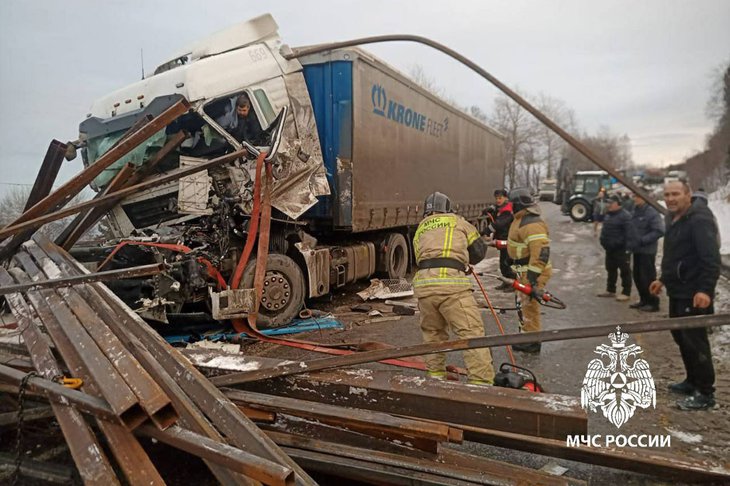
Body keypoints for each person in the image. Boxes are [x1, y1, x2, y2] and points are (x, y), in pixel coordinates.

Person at [649, 181, 720, 411]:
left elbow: (710, 258)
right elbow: (672, 255)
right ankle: (692, 381)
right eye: (667, 194)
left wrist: (705, 290)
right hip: (678, 289)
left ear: (688, 195)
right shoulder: (673, 218)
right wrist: (662, 279)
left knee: (695, 340)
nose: (670, 198)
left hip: (694, 292)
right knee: (680, 335)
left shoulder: (699, 219)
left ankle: (705, 392)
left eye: (676, 194)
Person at [413, 192, 495, 385]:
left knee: (433, 336)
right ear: (448, 208)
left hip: (425, 287)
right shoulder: (458, 221)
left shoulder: (421, 228)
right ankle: (481, 385)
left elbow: (421, 258)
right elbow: (478, 252)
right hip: (452, 287)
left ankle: (435, 379)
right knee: (471, 335)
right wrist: (460, 263)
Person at [505, 187, 552, 353]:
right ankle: (526, 335)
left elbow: (540, 253)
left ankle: (532, 341)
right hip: (523, 270)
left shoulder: (531, 224)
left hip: (531, 271)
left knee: (529, 306)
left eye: (511, 203)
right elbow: (519, 242)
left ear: (518, 204)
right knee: (523, 305)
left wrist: (532, 279)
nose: (509, 206)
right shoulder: (521, 219)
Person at [597, 194, 637, 302]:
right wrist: (603, 241)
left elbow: (629, 234)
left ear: (618, 204)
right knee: (610, 269)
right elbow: (604, 230)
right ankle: (610, 290)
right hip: (609, 249)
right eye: (608, 202)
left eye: (611, 203)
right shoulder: (608, 214)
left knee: (625, 271)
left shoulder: (625, 216)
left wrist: (627, 248)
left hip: (621, 249)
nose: (609, 204)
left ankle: (626, 292)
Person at [629, 190, 664, 312]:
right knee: (638, 277)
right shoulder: (635, 211)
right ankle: (643, 300)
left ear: (644, 197)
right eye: (634, 196)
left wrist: (643, 240)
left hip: (647, 251)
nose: (635, 199)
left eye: (637, 196)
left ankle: (653, 303)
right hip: (637, 250)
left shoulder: (651, 212)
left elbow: (659, 230)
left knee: (647, 277)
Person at [482, 189, 516, 290]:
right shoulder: (502, 207)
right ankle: (506, 282)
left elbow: (499, 223)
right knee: (503, 263)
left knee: (506, 263)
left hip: (508, 239)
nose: (498, 200)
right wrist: (490, 209)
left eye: (500, 198)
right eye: (496, 198)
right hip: (503, 239)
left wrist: (486, 231)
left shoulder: (508, 210)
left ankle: (513, 283)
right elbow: (496, 209)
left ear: (506, 198)